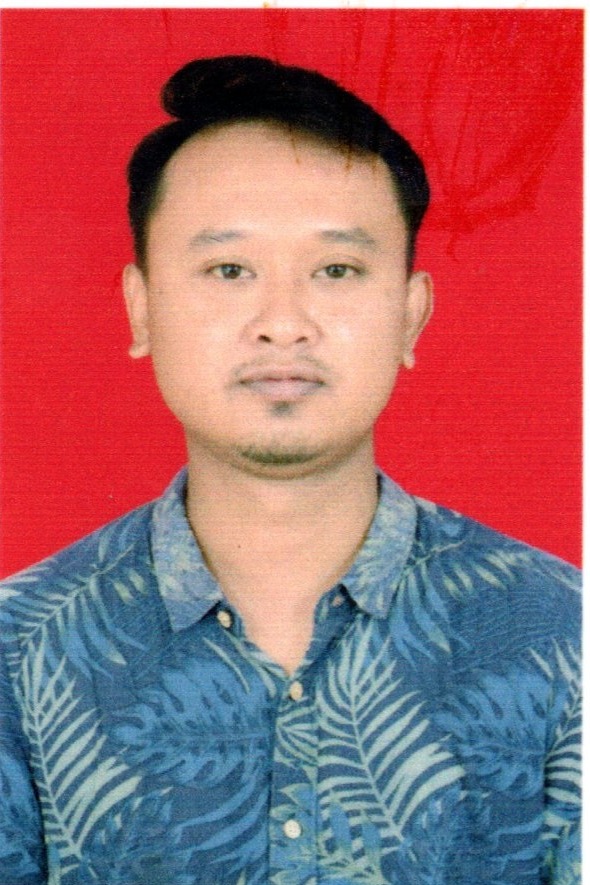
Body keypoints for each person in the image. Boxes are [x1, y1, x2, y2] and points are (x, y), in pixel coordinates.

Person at [0, 55, 580, 885]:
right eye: (229, 270)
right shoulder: (19, 651)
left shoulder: (564, 636)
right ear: (142, 307)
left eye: (336, 270)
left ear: (410, 315)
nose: (283, 323)